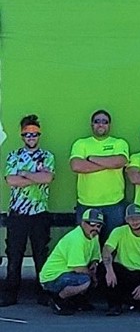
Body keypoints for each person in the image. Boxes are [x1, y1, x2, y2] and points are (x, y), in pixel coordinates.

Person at [0, 114, 55, 307]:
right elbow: (10, 180)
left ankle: (43, 293)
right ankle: (10, 294)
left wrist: (24, 174)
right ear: (22, 136)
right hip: (18, 214)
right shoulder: (13, 156)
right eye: (27, 134)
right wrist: (35, 176)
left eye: (34, 133)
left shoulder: (47, 156)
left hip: (40, 214)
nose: (31, 137)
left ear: (39, 135)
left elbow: (48, 179)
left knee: (41, 255)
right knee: (14, 255)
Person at [70, 109, 129, 242]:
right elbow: (77, 166)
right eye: (97, 121)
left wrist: (91, 158)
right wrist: (108, 163)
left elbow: (119, 162)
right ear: (92, 125)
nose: (101, 124)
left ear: (109, 125)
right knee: (87, 245)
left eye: (105, 122)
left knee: (112, 246)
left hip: (114, 204)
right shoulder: (81, 143)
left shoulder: (119, 143)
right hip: (86, 204)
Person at [102, 204, 140, 316]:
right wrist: (109, 270)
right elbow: (106, 249)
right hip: (123, 271)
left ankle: (134, 301)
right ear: (126, 220)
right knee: (102, 269)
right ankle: (114, 306)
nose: (135, 221)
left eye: (138, 218)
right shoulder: (119, 231)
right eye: (131, 218)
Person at [39, 209, 103, 315]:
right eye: (92, 224)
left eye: (99, 225)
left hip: (67, 273)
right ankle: (57, 300)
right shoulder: (76, 239)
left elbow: (95, 256)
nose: (95, 228)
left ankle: (77, 301)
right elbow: (78, 268)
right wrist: (93, 276)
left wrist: (94, 263)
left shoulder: (93, 236)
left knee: (95, 274)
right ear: (83, 223)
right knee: (85, 280)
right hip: (52, 278)